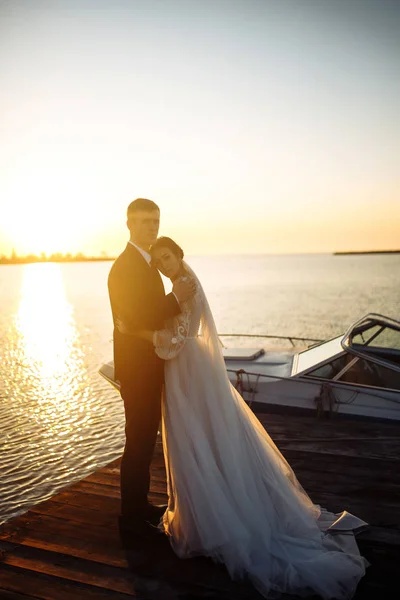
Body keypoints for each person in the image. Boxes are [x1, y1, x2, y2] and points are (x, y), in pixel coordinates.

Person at [119, 235, 369, 600]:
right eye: (157, 260)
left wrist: (136, 331)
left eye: (167, 257)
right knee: (199, 439)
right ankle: (200, 513)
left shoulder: (185, 286)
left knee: (196, 439)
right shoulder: (179, 283)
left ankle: (210, 521)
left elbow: (177, 340)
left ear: (179, 255)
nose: (162, 264)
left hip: (187, 371)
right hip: (187, 372)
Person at [108, 200, 195, 539]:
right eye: (144, 221)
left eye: (155, 221)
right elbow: (132, 318)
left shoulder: (146, 263)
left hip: (151, 365)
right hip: (136, 370)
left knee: (145, 440)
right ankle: (130, 518)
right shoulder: (124, 267)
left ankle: (139, 507)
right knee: (138, 441)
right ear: (129, 224)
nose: (151, 227)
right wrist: (175, 299)